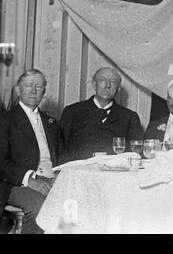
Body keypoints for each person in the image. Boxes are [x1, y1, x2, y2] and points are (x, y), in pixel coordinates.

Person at [0, 69, 60, 233]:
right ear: (18, 90)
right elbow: (1, 164)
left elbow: (61, 157)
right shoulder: (5, 120)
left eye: (38, 87)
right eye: (28, 86)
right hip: (17, 184)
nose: (33, 91)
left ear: (44, 92)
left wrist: (59, 176)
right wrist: (30, 179)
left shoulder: (52, 123)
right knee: (40, 208)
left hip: (51, 180)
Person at [59, 67, 143, 162]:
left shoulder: (129, 117)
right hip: (79, 172)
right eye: (102, 80)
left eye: (113, 82)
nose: (107, 85)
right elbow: (60, 149)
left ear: (118, 89)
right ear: (94, 84)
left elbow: (135, 154)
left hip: (114, 173)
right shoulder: (72, 111)